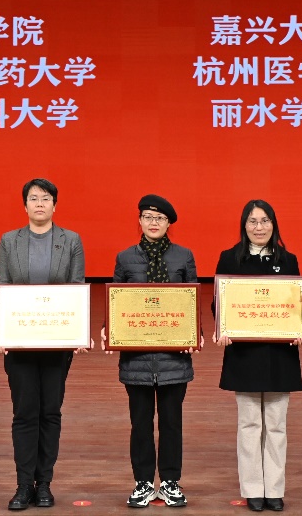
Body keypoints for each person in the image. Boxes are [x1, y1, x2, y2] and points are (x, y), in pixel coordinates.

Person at [0, 178, 87, 511]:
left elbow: (76, 287)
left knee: (50, 412)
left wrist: (78, 332)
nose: (40, 204)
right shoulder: (9, 240)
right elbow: (2, 286)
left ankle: (44, 483)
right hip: (19, 340)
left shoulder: (71, 240)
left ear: (54, 205)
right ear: (25, 205)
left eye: (46, 199)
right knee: (24, 412)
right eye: (33, 198)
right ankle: (23, 485)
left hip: (57, 342)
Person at [109, 194, 199, 509]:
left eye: (159, 218)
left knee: (172, 422)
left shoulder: (184, 256)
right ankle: (144, 482)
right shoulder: (125, 258)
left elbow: (192, 303)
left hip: (174, 358)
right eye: (148, 217)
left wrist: (194, 334)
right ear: (139, 221)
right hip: (136, 358)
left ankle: (171, 481)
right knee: (140, 423)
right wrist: (111, 330)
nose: (153, 222)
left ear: (168, 223)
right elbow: (116, 303)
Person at [214, 199, 302, 513]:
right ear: (244, 225)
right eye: (252, 221)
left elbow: (297, 304)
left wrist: (300, 325)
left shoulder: (288, 260)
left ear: (274, 225)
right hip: (245, 354)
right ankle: (252, 489)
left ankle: (275, 489)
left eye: (265, 221)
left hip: (280, 354)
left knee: (276, 425)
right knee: (249, 423)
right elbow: (218, 303)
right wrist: (223, 327)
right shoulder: (229, 258)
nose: (259, 227)